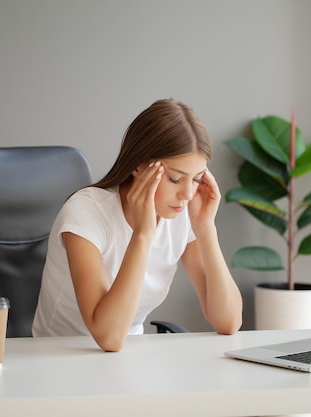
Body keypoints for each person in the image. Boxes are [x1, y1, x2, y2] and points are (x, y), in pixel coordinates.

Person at [31, 98, 243, 352]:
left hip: (129, 355)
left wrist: (207, 229)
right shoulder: (85, 213)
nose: (187, 194)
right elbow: (109, 337)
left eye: (197, 179)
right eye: (175, 179)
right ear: (138, 167)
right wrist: (143, 234)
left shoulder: (183, 213)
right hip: (57, 357)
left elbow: (229, 321)